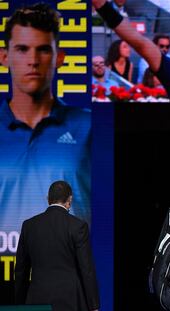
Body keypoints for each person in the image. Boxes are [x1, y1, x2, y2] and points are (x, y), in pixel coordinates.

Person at [0, 3, 91, 248]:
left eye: (43, 50)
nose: (33, 60)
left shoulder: (88, 126)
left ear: (59, 57)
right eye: (22, 49)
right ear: (4, 56)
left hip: (66, 277)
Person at [15, 181, 100, 311]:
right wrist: (94, 306)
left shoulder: (29, 226)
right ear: (69, 200)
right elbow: (86, 268)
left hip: (37, 299)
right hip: (70, 300)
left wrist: (19, 304)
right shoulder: (78, 226)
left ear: (48, 199)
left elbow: (21, 270)